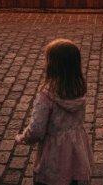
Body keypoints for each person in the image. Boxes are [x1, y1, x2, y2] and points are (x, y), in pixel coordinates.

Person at [16, 39, 93, 185]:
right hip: (75, 150)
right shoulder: (79, 88)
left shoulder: (46, 94)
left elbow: (37, 129)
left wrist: (24, 137)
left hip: (53, 154)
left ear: (51, 66)